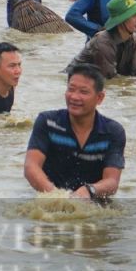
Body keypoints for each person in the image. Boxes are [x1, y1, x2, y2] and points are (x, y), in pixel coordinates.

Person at [24, 64, 125, 202]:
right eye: (71, 89)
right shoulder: (48, 122)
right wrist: (56, 196)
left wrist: (89, 190)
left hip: (92, 202)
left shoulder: (113, 132)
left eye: (83, 92)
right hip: (49, 198)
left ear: (99, 98)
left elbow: (112, 182)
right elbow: (31, 167)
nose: (74, 97)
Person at [68, 0, 136, 79]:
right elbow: (110, 81)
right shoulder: (103, 42)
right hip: (76, 80)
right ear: (121, 20)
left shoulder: (133, 39)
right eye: (134, 16)